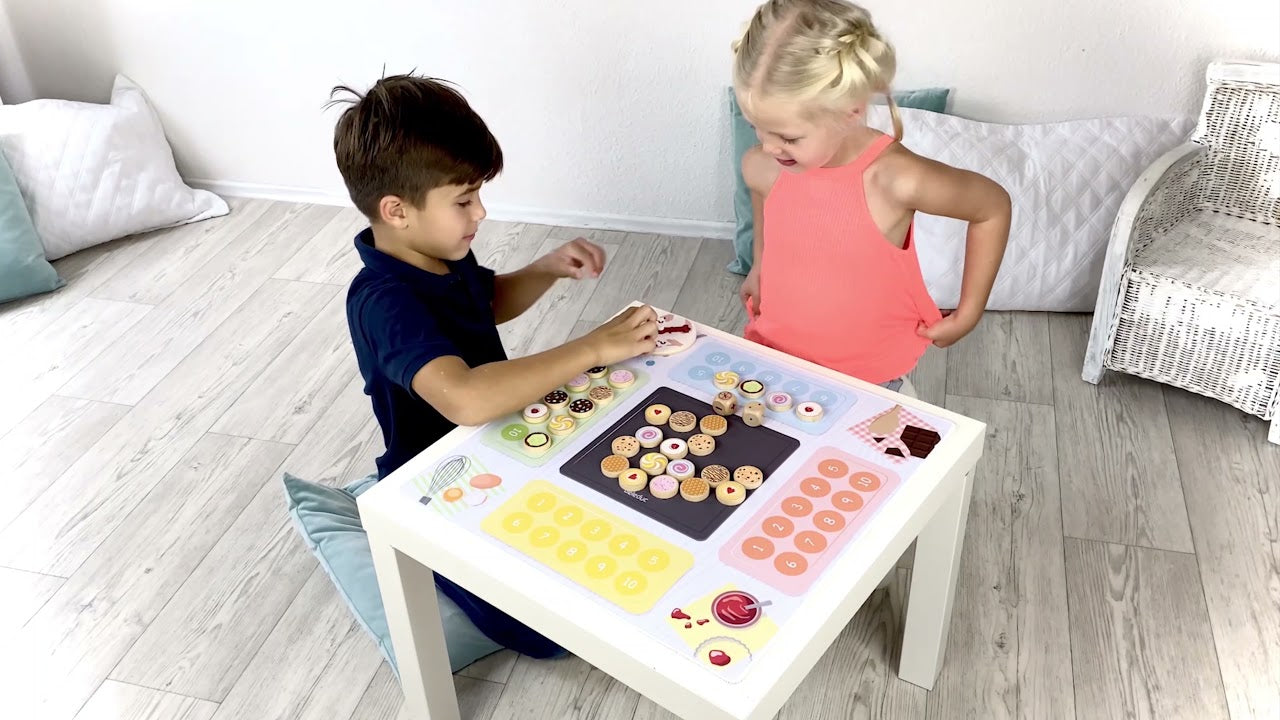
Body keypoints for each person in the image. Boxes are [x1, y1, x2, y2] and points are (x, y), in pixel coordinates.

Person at [331, 73, 656, 658]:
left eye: (478, 194)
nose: (480, 211)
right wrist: (591, 348)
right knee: (547, 633)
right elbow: (467, 397)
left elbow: (486, 304)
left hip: (503, 440)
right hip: (436, 479)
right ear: (396, 211)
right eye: (464, 200)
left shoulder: (439, 250)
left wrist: (546, 268)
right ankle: (415, 549)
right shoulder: (383, 302)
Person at [733, 0, 1011, 391]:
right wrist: (760, 267)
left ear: (850, 111)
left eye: (789, 137)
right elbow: (767, 206)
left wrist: (969, 313)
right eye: (757, 127)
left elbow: (992, 207)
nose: (768, 147)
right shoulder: (762, 165)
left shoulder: (895, 179)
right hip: (776, 359)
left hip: (872, 380)